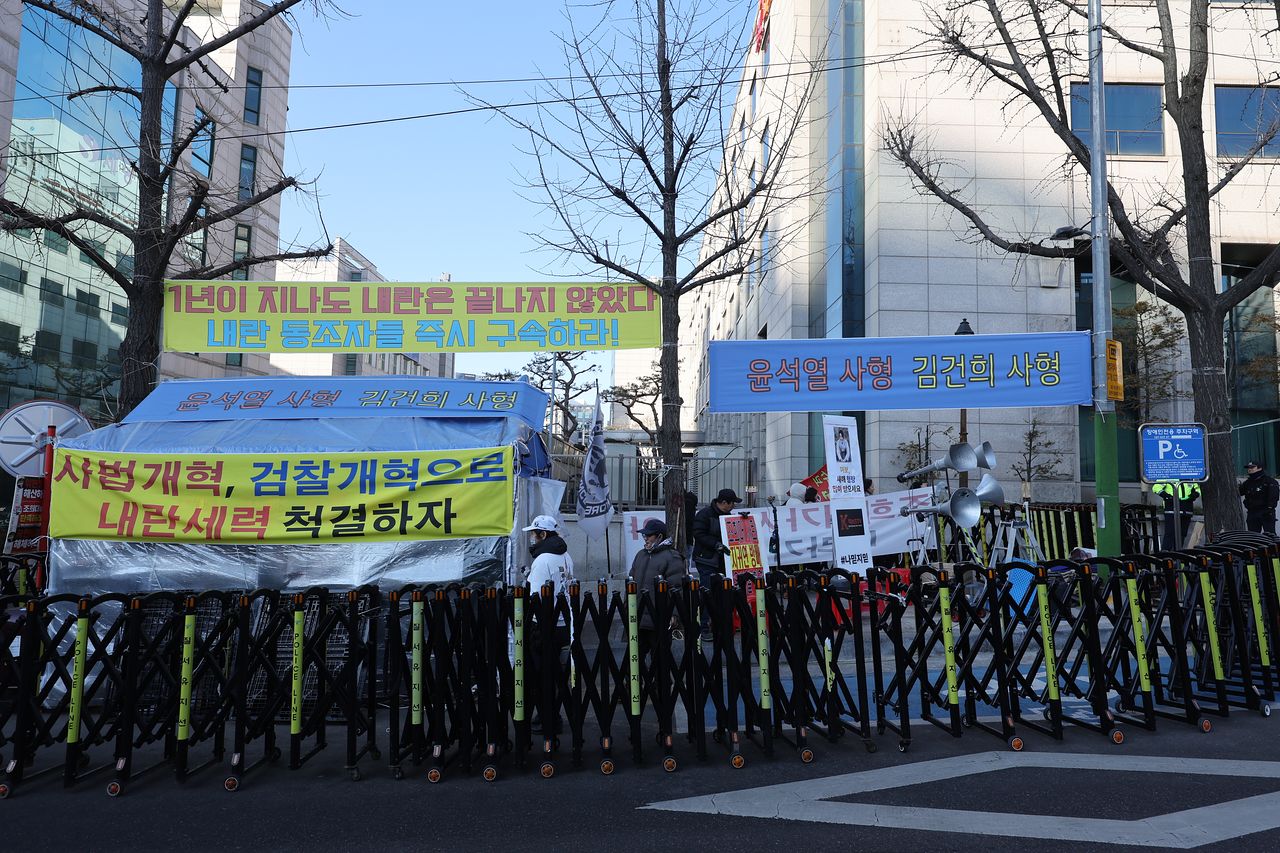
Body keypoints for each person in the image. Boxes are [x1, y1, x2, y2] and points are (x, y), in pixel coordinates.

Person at [522, 515, 575, 735]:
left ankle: (547, 720)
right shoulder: (566, 556)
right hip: (564, 624)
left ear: (543, 535)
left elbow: (535, 598)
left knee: (540, 675)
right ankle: (552, 716)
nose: (532, 539)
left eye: (534, 534)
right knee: (557, 676)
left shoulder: (543, 560)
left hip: (544, 625)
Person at [629, 518, 689, 653]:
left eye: (648, 535)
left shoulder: (672, 557)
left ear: (659, 536)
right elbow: (631, 580)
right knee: (634, 657)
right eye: (644, 535)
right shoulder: (641, 554)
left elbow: (676, 588)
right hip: (637, 617)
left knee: (660, 659)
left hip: (659, 617)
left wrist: (674, 614)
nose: (645, 538)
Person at [691, 487, 742, 640]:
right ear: (724, 503)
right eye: (733, 503)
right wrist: (716, 544)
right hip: (706, 560)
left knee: (722, 593)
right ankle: (703, 627)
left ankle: (719, 624)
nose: (734, 506)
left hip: (721, 561)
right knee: (707, 592)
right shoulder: (705, 514)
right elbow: (698, 534)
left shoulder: (728, 516)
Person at [1152, 479, 1200, 550]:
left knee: (1182, 535)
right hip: (1172, 509)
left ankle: (1178, 556)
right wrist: (1167, 496)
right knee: (1170, 534)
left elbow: (1197, 489)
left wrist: (1195, 494)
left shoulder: (1190, 474)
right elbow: (1156, 487)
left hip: (1186, 509)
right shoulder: (1168, 474)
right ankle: (1165, 556)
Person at [1240, 461, 1280, 535]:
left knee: (1270, 537)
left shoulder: (1269, 481)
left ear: (1260, 468)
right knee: (1253, 537)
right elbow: (1239, 492)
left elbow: (1274, 497)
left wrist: (1269, 509)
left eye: (1252, 467)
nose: (1249, 469)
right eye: (1248, 467)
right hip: (1252, 513)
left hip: (1266, 512)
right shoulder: (1248, 483)